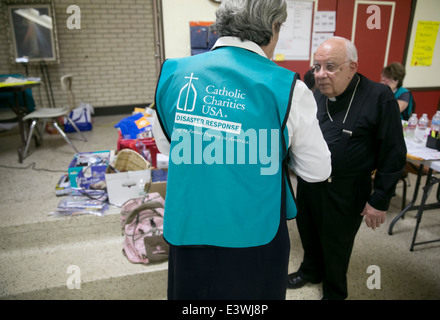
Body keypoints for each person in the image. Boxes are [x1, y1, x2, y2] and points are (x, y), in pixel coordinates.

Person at [153, 0, 331, 300]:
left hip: (190, 225)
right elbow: (317, 171)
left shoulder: (173, 73)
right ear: (274, 27)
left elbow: (166, 145)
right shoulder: (288, 87)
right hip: (254, 233)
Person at [287, 37, 406, 300]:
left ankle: (334, 291)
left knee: (336, 245)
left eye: (330, 67)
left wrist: (380, 199)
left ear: (352, 68)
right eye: (316, 67)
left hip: (346, 189)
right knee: (308, 232)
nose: (320, 74)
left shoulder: (378, 96)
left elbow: (394, 152)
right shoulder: (314, 89)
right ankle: (310, 271)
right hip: (309, 184)